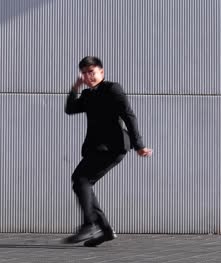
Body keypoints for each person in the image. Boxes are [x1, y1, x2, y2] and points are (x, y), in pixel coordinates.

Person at [62, 56, 153, 247]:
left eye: (92, 72)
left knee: (81, 180)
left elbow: (128, 115)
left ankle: (89, 225)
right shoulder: (87, 95)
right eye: (85, 73)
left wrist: (139, 145)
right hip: (96, 148)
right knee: (82, 183)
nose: (88, 76)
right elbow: (70, 109)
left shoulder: (113, 89)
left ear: (101, 72)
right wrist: (75, 88)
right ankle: (105, 230)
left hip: (114, 147)